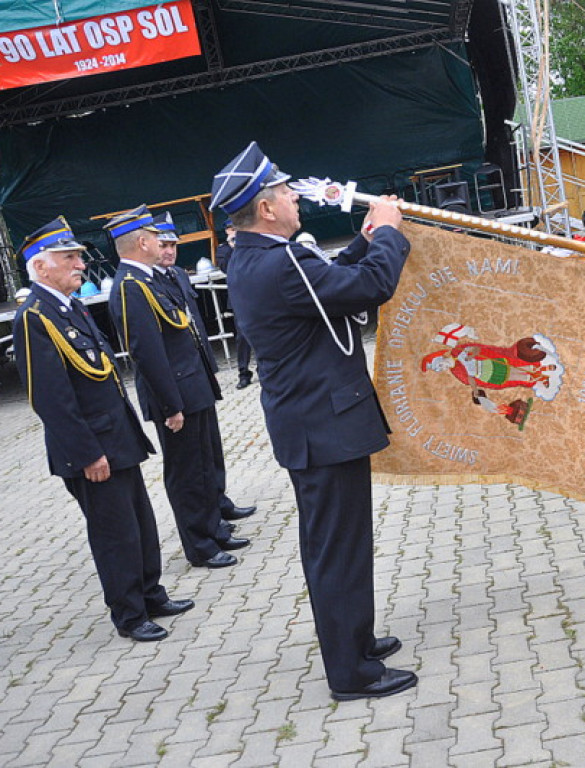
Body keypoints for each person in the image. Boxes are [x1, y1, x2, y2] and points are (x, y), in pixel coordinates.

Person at [211, 141, 417, 701]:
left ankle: (359, 642)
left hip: (317, 423)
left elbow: (325, 287)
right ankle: (352, 674)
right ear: (267, 207)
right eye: (283, 190)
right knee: (336, 548)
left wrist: (365, 241)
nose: (293, 197)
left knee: (344, 543)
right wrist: (391, 231)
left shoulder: (263, 258)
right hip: (322, 426)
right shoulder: (277, 261)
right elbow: (369, 287)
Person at [13, 217, 193, 642]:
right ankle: (129, 614)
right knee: (115, 535)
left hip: (117, 438)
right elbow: (51, 399)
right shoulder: (35, 318)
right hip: (92, 449)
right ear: (41, 268)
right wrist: (87, 453)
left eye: (78, 256)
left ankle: (151, 593)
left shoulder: (68, 305)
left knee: (140, 523)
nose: (80, 263)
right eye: (69, 257)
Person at [107, 205, 249, 569]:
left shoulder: (151, 280)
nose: (163, 244)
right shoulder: (130, 286)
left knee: (202, 464)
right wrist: (171, 406)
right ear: (142, 242)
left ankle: (212, 528)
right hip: (174, 397)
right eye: (156, 238)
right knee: (185, 473)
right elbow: (148, 354)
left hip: (189, 387)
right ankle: (199, 545)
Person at [153, 212, 257, 525]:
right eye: (163, 244)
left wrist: (210, 368)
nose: (170, 250)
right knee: (191, 457)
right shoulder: (147, 285)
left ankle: (219, 500)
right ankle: (207, 516)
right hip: (179, 381)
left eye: (173, 244)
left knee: (211, 446)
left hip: (198, 374)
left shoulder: (178, 276)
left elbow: (196, 326)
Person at [214, 219, 254, 389]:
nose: (234, 232)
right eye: (230, 228)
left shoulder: (251, 244)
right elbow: (226, 268)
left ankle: (265, 368)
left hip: (257, 292)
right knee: (242, 337)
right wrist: (233, 247)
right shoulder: (224, 249)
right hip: (239, 297)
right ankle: (243, 373)